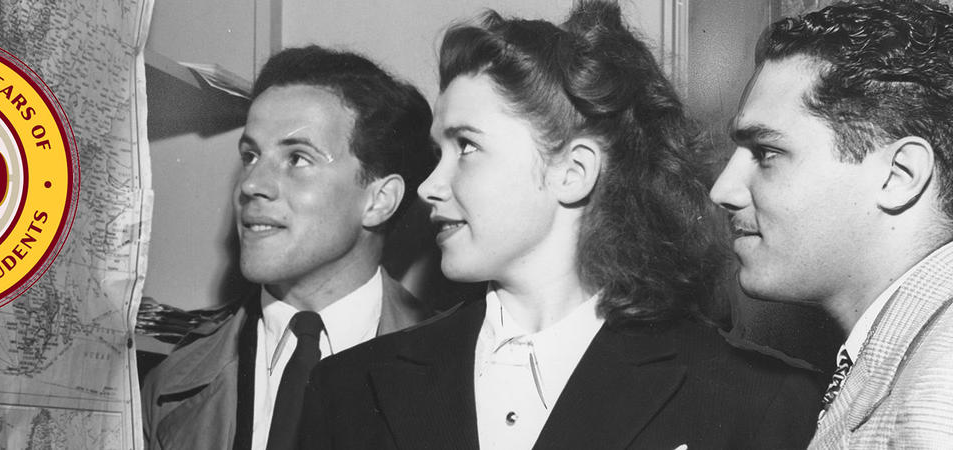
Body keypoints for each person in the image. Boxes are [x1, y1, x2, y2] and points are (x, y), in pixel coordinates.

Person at [300, 2, 824, 449]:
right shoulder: (350, 388)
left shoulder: (759, 402)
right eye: (439, 152)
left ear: (573, 173)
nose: (428, 186)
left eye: (467, 147)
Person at [141, 46, 436, 450]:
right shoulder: (167, 387)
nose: (250, 184)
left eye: (297, 158)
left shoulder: (459, 371)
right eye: (250, 155)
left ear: (378, 200)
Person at [710, 0, 953, 446]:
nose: (723, 190)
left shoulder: (937, 395)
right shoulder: (909, 358)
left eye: (766, 153)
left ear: (899, 176)